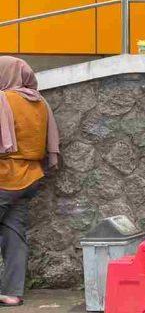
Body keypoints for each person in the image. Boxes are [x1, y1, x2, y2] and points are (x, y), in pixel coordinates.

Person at [0, 56, 60, 307]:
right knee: (14, 234)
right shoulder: (39, 102)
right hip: (31, 177)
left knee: (14, 234)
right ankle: (12, 293)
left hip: (5, 175)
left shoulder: (4, 99)